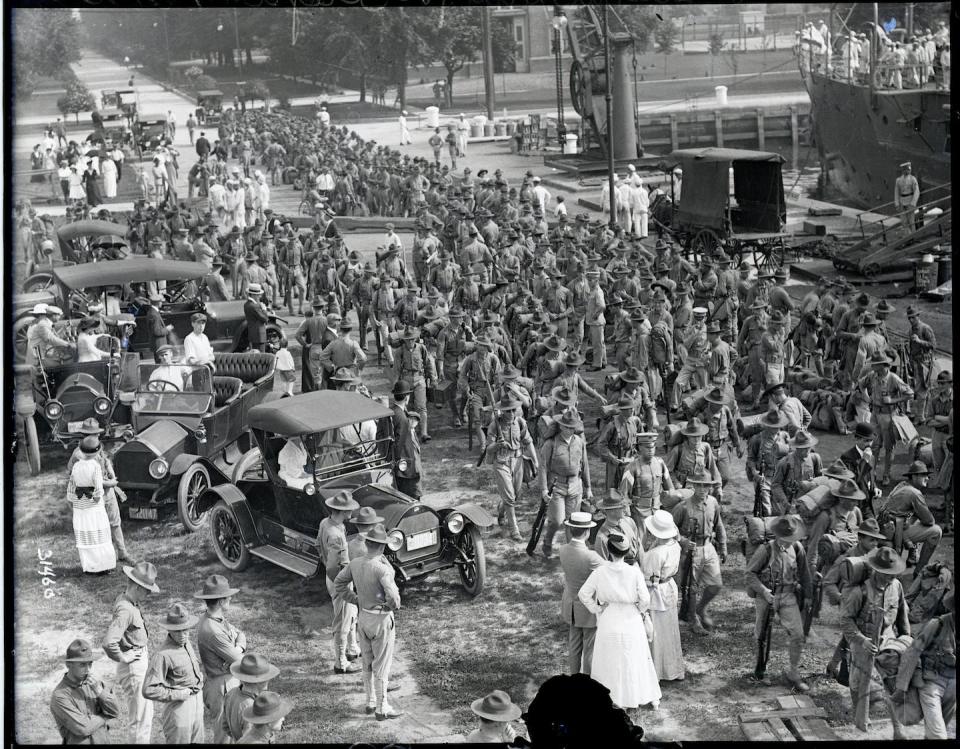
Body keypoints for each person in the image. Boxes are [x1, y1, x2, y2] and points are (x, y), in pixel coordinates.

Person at [578, 531, 661, 711]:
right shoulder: (634, 572)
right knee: (634, 657)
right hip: (630, 619)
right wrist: (638, 610)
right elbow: (645, 599)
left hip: (610, 618)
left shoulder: (600, 572)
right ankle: (639, 695)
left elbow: (583, 594)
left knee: (610, 659)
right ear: (626, 553)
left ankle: (613, 697)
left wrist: (597, 609)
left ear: (608, 551)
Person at [334, 523, 403, 720]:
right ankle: (382, 708)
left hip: (363, 617)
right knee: (382, 665)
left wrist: (355, 599)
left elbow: (339, 583)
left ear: (367, 544)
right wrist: (391, 606)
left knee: (367, 662)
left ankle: (370, 701)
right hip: (381, 618)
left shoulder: (355, 563)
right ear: (382, 547)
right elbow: (395, 599)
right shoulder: (382, 569)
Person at [840, 546, 910, 736]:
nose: (891, 577)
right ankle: (860, 719)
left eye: (893, 573)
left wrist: (905, 638)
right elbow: (846, 620)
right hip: (863, 641)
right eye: (887, 574)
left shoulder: (896, 586)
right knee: (856, 683)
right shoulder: (860, 592)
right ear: (876, 571)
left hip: (888, 639)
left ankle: (897, 729)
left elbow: (902, 613)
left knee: (892, 684)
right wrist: (861, 640)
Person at [746, 515, 813, 691]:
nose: (789, 542)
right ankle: (761, 670)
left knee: (798, 635)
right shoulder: (765, 550)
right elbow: (750, 574)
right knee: (762, 635)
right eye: (786, 539)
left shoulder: (797, 548)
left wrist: (808, 595)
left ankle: (793, 672)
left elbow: (805, 574)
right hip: (767, 597)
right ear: (777, 536)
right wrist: (763, 591)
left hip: (788, 596)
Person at [103, 561, 160, 744]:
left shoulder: (127, 599)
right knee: (140, 719)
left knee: (144, 714)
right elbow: (109, 642)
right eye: (146, 589)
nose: (149, 593)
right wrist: (123, 656)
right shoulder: (125, 609)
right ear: (136, 586)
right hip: (133, 667)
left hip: (136, 661)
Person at [67, 420, 132, 564]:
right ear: (83, 435)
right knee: (98, 527)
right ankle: (102, 560)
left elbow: (106, 460)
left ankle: (122, 553)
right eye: (91, 434)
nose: (95, 436)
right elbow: (84, 478)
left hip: (108, 492)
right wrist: (110, 482)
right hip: (93, 496)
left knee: (115, 522)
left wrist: (111, 472)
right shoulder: (79, 454)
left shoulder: (97, 447)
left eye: (96, 434)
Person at [671, 468, 727, 635]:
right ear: (693, 486)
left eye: (706, 486)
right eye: (699, 486)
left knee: (716, 584)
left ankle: (701, 609)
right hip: (690, 550)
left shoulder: (713, 503)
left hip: (708, 547)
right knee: (691, 586)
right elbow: (671, 530)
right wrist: (683, 541)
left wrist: (723, 545)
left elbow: (719, 524)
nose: (703, 489)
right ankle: (694, 619)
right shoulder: (683, 507)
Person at [894, 589, 956, 739]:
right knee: (939, 735)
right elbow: (912, 653)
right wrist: (902, 687)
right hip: (931, 683)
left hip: (953, 687)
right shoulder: (937, 624)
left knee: (935, 731)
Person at [142, 602, 205, 744]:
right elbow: (148, 690)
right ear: (169, 630)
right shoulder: (162, 655)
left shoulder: (187, 643)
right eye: (178, 631)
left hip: (196, 704)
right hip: (179, 709)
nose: (183, 635)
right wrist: (177, 694)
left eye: (186, 629)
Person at [195, 574, 246, 743]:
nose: (231, 598)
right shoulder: (213, 630)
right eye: (228, 596)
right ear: (221, 601)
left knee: (233, 730)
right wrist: (237, 651)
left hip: (224, 681)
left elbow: (240, 634)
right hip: (221, 687)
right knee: (224, 736)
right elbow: (239, 660)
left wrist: (237, 648)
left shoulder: (214, 619)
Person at [317, 489, 362, 675]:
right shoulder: (335, 534)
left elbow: (318, 546)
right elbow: (335, 566)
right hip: (339, 579)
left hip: (334, 577)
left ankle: (352, 650)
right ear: (342, 511)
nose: (351, 512)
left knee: (351, 614)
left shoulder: (327, 523)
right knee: (343, 621)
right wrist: (344, 584)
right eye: (349, 509)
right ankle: (340, 662)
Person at [539, 409, 593, 560]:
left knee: (572, 521)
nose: (570, 430)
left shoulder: (579, 442)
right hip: (557, 486)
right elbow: (542, 466)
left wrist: (588, 487)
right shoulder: (551, 444)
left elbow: (585, 464)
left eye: (572, 427)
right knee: (556, 520)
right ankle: (548, 542)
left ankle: (572, 554)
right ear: (561, 426)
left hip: (576, 485)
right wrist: (544, 489)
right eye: (567, 427)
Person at [557, 511, 604, 676]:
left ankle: (574, 678)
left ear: (570, 529)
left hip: (570, 603)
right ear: (587, 532)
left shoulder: (563, 550)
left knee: (574, 645)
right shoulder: (591, 556)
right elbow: (608, 571)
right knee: (589, 647)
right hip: (587, 606)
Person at [486, 394, 538, 542]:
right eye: (508, 411)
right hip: (501, 462)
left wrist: (535, 460)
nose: (511, 413)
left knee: (515, 495)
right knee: (509, 497)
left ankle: (501, 511)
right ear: (502, 411)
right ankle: (514, 529)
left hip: (518, 461)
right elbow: (488, 448)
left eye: (514, 410)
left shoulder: (520, 422)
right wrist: (497, 445)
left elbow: (528, 442)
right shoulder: (494, 424)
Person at [50, 638, 122, 744]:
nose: (88, 669)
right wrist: (105, 716)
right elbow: (83, 728)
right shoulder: (60, 695)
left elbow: (115, 711)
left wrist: (99, 692)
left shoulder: (95, 684)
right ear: (68, 665)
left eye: (90, 664)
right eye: (82, 665)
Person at [641, 509, 685, 681]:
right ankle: (672, 668)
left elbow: (648, 578)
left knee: (656, 631)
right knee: (669, 629)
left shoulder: (655, 554)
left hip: (657, 591)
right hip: (668, 587)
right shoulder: (675, 545)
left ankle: (658, 671)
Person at [881, 461, 943, 574]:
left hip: (883, 528)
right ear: (914, 476)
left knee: (914, 518)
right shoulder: (914, 493)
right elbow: (930, 521)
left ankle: (912, 554)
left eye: (927, 475)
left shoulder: (901, 485)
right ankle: (919, 571)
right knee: (936, 531)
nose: (927, 478)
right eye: (923, 475)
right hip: (893, 532)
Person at [66, 436, 117, 574]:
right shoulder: (95, 466)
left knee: (86, 533)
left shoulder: (76, 466)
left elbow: (71, 486)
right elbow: (98, 488)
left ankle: (89, 566)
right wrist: (96, 498)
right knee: (98, 532)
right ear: (96, 452)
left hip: (79, 503)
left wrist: (72, 500)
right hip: (93, 504)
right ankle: (103, 566)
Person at [619, 432, 675, 530]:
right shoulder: (632, 467)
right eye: (647, 448)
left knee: (660, 537)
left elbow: (670, 487)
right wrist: (626, 510)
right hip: (639, 511)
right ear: (639, 448)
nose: (651, 451)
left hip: (657, 509)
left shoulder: (660, 463)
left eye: (652, 447)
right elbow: (623, 493)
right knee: (641, 540)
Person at [220, 653, 280, 743]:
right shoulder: (252, 707)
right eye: (267, 677)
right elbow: (252, 738)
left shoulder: (231, 693)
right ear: (260, 681)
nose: (269, 679)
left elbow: (225, 726)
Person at [894, 161, 920, 235]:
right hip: (902, 202)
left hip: (910, 201)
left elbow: (917, 191)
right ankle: (907, 237)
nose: (908, 171)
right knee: (904, 221)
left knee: (911, 221)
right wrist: (897, 204)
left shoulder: (913, 179)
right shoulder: (898, 180)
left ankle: (913, 236)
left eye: (909, 169)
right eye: (906, 169)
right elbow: (896, 193)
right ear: (903, 170)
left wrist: (913, 203)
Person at [243, 283, 270, 352]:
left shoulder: (247, 304)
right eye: (258, 295)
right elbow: (265, 319)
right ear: (253, 295)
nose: (260, 296)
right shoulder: (254, 306)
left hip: (253, 335)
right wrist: (264, 309)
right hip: (259, 336)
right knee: (261, 357)